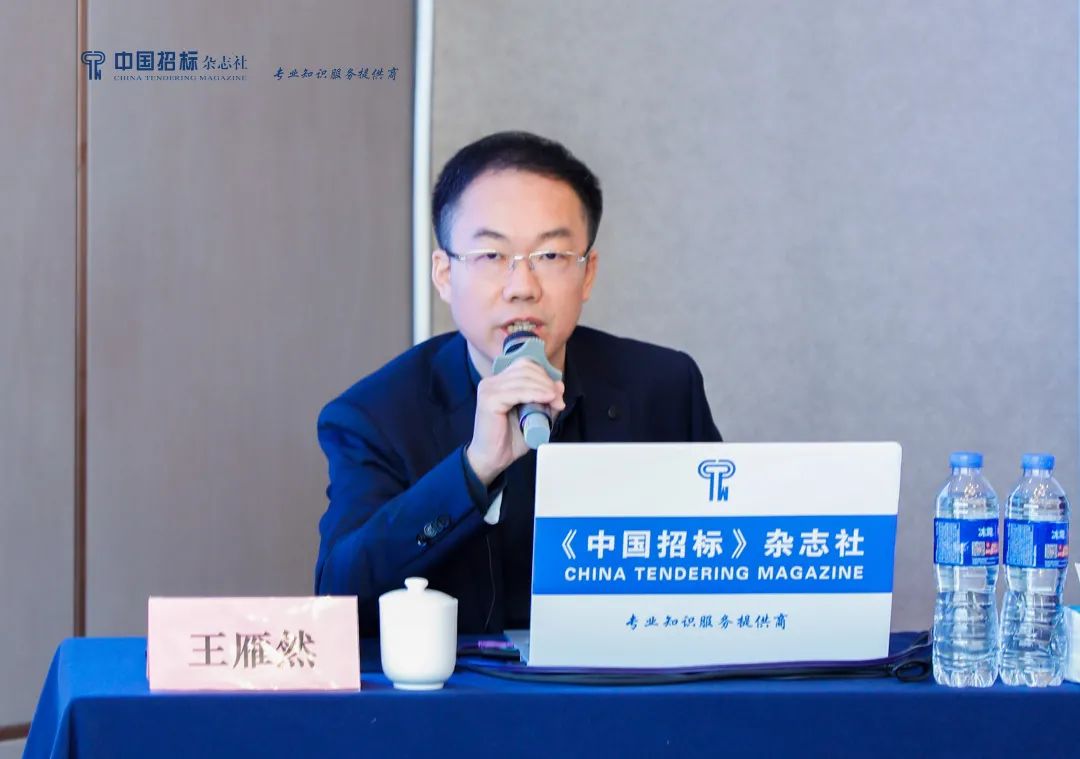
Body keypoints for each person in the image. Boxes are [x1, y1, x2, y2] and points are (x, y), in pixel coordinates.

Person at [315, 131, 721, 635]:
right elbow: (339, 595)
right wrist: (473, 469)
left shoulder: (663, 387)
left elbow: (723, 558)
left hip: (623, 676)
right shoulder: (376, 415)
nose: (522, 288)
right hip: (458, 684)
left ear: (588, 274)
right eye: (491, 256)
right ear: (444, 274)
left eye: (550, 257)